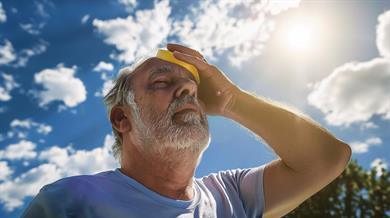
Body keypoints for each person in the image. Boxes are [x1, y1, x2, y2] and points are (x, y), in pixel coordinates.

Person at [22, 44, 351, 218]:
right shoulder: (69, 202)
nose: (186, 91)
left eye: (192, 89)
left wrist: (232, 101)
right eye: (162, 83)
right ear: (122, 119)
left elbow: (328, 158)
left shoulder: (231, 197)